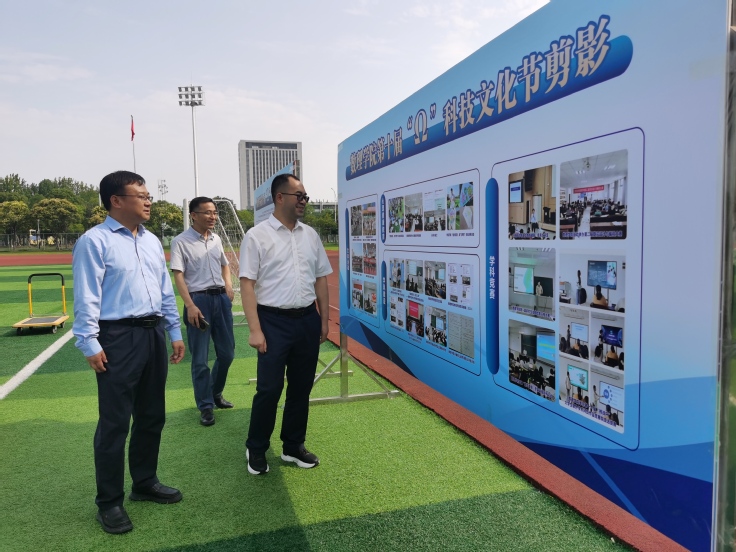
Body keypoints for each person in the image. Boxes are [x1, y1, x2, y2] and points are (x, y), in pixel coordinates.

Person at [72, 171, 185, 534]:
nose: (148, 201)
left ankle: (145, 482)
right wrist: (89, 342)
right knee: (115, 423)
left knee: (152, 415)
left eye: (148, 195)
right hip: (117, 337)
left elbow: (164, 290)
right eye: (141, 195)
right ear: (116, 200)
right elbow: (86, 295)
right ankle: (109, 502)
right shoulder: (95, 241)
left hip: (153, 334)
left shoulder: (151, 241)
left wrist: (174, 330)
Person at [239, 173, 332, 475]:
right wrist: (255, 329)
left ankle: (293, 445)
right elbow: (247, 284)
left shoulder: (311, 236)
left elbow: (320, 278)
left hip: (307, 319)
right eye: (299, 196)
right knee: (269, 388)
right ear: (280, 198)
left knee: (301, 387)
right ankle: (256, 447)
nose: (304, 201)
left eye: (305, 196)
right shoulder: (257, 236)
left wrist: (323, 320)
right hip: (272, 321)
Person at [170, 197, 236, 427]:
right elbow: (178, 275)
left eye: (215, 212)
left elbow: (224, 265)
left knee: (227, 353)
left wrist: (228, 285)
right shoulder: (180, 242)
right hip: (198, 301)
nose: (213, 216)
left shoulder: (216, 239)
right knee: (200, 359)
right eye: (207, 212)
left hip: (221, 300)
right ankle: (206, 406)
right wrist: (190, 305)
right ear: (193, 215)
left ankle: (215, 392)